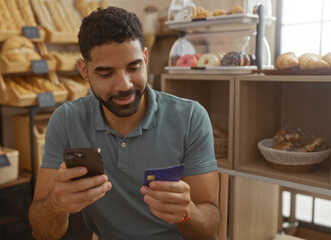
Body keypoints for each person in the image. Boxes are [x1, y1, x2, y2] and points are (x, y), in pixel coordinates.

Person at [29, 6, 219, 240]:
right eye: (106, 73)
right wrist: (57, 205)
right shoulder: (66, 120)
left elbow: (209, 231)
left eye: (134, 67)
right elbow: (41, 232)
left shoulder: (191, 117)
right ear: (84, 71)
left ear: (146, 58)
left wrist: (186, 212)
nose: (124, 85)